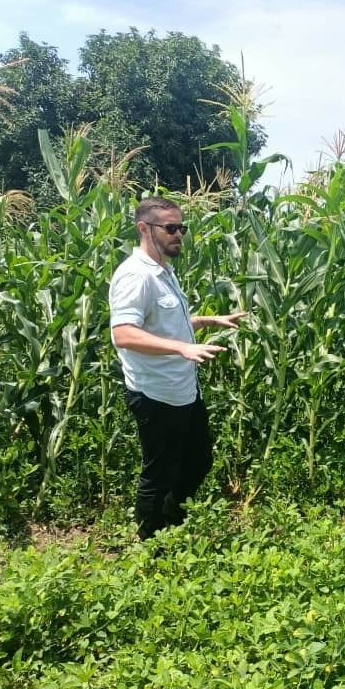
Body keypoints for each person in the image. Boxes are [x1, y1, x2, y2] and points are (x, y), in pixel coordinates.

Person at [110, 197, 246, 540]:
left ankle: (171, 521)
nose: (178, 235)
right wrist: (183, 347)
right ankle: (149, 545)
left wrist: (208, 320)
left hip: (184, 389)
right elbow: (123, 333)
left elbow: (167, 322)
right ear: (144, 228)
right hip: (155, 393)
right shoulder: (135, 275)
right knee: (159, 474)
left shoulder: (164, 272)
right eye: (170, 228)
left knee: (199, 461)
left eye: (181, 228)